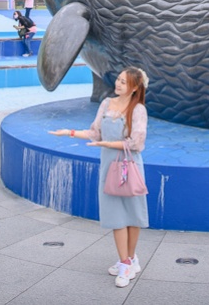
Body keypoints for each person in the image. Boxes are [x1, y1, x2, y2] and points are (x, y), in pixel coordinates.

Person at [49, 67, 149, 288]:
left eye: (124, 82)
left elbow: (137, 143)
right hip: (109, 168)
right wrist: (70, 132)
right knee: (116, 217)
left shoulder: (138, 109)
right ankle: (124, 261)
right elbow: (95, 132)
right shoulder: (106, 104)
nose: (118, 84)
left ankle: (130, 261)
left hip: (129, 168)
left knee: (132, 216)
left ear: (134, 88)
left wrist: (107, 144)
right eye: (119, 80)